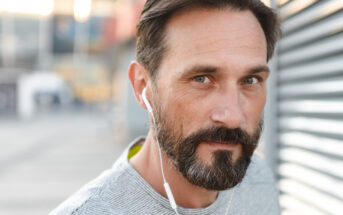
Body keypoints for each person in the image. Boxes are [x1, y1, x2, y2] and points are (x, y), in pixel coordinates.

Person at [50, 0, 281, 214]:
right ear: (142, 86)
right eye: (201, 79)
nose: (233, 117)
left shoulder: (259, 180)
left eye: (250, 81)